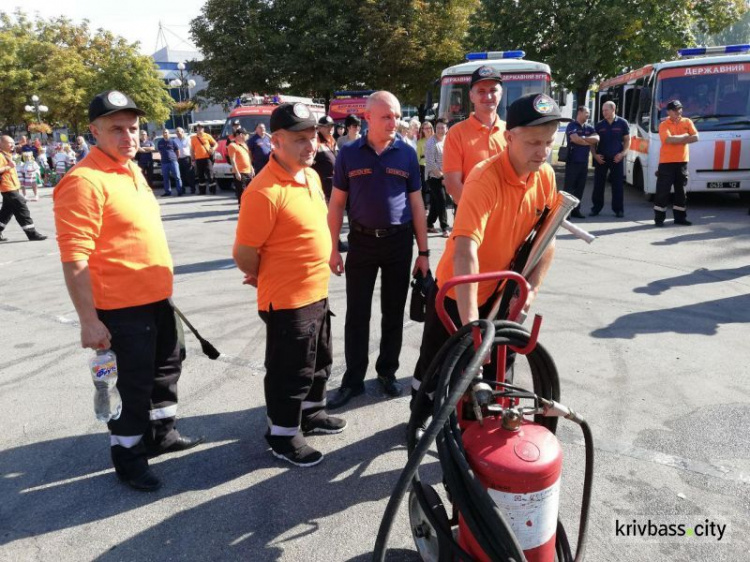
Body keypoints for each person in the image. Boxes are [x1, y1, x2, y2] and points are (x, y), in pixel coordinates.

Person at [53, 91, 204, 492]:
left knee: (166, 371)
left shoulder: (130, 169)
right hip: (121, 309)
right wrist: (89, 321)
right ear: (93, 131)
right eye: (116, 129)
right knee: (131, 386)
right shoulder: (84, 181)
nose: (128, 136)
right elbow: (75, 259)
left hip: (157, 299)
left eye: (133, 128)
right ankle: (129, 456)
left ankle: (162, 434)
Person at [410, 93, 568, 426]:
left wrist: (528, 295)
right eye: (533, 143)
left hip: (502, 292)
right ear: (509, 137)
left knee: (496, 372)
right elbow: (466, 250)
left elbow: (546, 241)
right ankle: (419, 418)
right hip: (458, 294)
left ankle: (478, 430)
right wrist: (471, 326)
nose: (543, 152)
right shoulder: (485, 179)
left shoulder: (545, 176)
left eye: (549, 143)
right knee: (438, 368)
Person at [233, 103, 345, 467]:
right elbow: (244, 253)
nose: (310, 145)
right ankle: (282, 435)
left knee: (318, 361)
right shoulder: (264, 191)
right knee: (289, 370)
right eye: (300, 139)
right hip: (287, 299)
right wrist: (262, 275)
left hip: (316, 290)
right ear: (276, 141)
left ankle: (312, 414)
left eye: (313, 136)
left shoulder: (309, 176)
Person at [327, 91, 430, 409]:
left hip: (399, 243)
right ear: (368, 117)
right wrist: (332, 248)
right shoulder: (348, 154)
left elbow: (416, 204)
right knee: (356, 313)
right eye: (387, 116)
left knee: (392, 313)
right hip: (361, 243)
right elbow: (337, 203)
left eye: (397, 116)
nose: (394, 122)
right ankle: (353, 381)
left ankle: (387, 373)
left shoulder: (407, 153)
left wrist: (424, 253)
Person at [443, 65, 507, 205]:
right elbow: (452, 184)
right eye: (481, 91)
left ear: (501, 94)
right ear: (471, 96)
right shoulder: (456, 133)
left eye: (493, 90)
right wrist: (478, 212)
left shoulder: (511, 132)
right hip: (471, 217)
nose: (488, 96)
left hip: (508, 218)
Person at [654, 100, 698, 227]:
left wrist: (680, 138)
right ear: (669, 112)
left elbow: (696, 137)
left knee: (681, 192)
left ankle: (680, 218)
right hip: (666, 162)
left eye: (680, 109)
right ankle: (659, 219)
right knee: (662, 191)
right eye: (675, 110)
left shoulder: (687, 121)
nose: (679, 112)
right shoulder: (663, 124)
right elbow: (668, 140)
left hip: (682, 162)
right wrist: (685, 136)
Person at [0, 136, 47, 242]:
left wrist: (21, 144)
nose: (12, 145)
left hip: (13, 187)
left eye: (13, 143)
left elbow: (16, 148)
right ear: (1, 143)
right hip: (7, 187)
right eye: (9, 143)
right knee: (21, 207)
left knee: (7, 211)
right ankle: (32, 233)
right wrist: (8, 166)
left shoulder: (7, 154)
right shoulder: (0, 155)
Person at [591, 101, 630, 217]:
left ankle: (618, 210)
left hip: (616, 159)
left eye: (605, 110)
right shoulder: (599, 125)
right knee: (598, 185)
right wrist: (594, 155)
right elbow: (592, 143)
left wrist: (622, 154)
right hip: (601, 159)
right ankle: (596, 208)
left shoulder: (622, 123)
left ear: (613, 109)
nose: (603, 113)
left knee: (617, 185)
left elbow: (627, 140)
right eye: (602, 110)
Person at [563, 106, 599, 219]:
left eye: (589, 113)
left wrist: (583, 138)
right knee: (569, 188)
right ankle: (564, 213)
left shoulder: (589, 127)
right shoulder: (572, 125)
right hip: (572, 161)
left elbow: (597, 138)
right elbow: (575, 139)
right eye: (586, 113)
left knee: (580, 188)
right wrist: (588, 141)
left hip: (584, 162)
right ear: (579, 112)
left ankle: (576, 210)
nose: (588, 115)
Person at [424, 119, 450, 236]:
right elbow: (430, 163)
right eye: (438, 128)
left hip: (446, 174)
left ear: (447, 129)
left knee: (435, 202)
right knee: (442, 200)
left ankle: (428, 224)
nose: (440, 130)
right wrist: (442, 177)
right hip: (433, 176)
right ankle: (445, 227)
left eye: (442, 128)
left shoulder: (448, 140)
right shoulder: (431, 142)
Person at [312, 115, 338, 202]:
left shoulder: (332, 140)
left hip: (333, 187)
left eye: (332, 126)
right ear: (319, 128)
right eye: (327, 126)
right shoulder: (315, 141)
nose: (330, 128)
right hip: (322, 190)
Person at [227, 127, 254, 205]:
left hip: (248, 172)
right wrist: (237, 172)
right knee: (242, 192)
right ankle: (242, 208)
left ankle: (248, 207)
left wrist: (251, 168)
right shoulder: (232, 145)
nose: (247, 136)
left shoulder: (244, 144)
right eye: (246, 135)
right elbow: (233, 160)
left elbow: (248, 157)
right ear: (241, 135)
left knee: (249, 192)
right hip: (240, 173)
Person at [190, 123, 218, 194]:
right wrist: (192, 159)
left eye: (201, 128)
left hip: (207, 158)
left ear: (203, 129)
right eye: (198, 128)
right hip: (198, 159)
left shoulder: (207, 136)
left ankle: (213, 190)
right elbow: (192, 149)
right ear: (196, 129)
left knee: (210, 175)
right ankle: (202, 191)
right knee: (200, 175)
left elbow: (216, 144)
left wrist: (213, 149)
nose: (199, 129)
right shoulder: (193, 138)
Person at [156, 129, 184, 197]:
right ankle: (167, 192)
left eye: (166, 132)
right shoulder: (160, 142)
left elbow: (177, 151)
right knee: (166, 178)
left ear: (168, 134)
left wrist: (175, 159)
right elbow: (160, 151)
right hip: (164, 162)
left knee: (177, 177)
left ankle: (179, 191)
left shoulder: (173, 141)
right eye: (163, 133)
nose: (165, 134)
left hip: (173, 161)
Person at [417, 120, 433, 209]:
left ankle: (433, 204)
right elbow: (417, 157)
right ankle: (425, 206)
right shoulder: (420, 142)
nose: (427, 130)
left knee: (434, 187)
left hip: (435, 166)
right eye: (425, 128)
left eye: (429, 128)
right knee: (425, 187)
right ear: (422, 130)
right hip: (424, 166)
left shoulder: (436, 139)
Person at [175, 127, 195, 194]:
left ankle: (193, 189)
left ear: (182, 132)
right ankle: (182, 190)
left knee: (190, 175)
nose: (177, 133)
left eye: (179, 131)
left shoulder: (187, 139)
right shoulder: (175, 140)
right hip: (179, 159)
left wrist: (193, 159)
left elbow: (191, 149)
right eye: (176, 132)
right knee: (181, 175)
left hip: (187, 158)